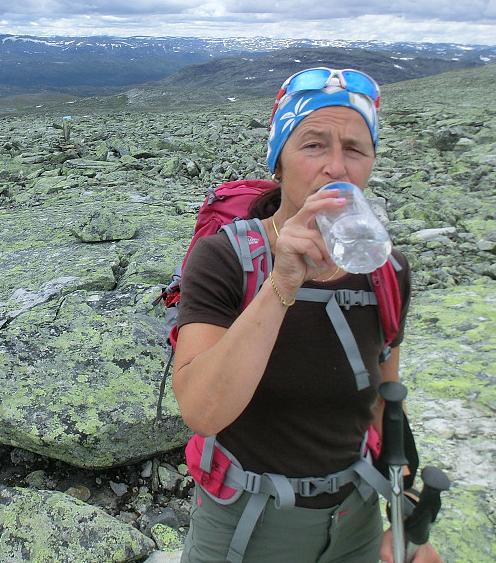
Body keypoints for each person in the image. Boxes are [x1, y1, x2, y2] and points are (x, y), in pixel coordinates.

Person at [171, 68, 442, 563]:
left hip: (354, 516)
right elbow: (201, 412)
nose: (336, 167)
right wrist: (283, 283)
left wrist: (405, 516)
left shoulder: (387, 270)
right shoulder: (225, 259)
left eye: (356, 149)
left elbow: (383, 403)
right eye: (313, 145)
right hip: (246, 523)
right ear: (279, 161)